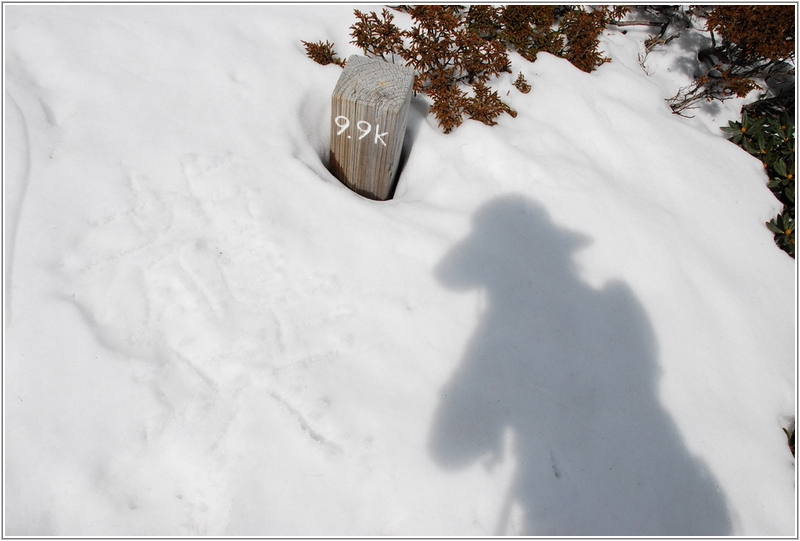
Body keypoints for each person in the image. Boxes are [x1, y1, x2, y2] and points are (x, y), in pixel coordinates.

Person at [428, 196, 731, 535]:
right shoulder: (609, 309)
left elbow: (448, 452)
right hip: (662, 489)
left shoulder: (504, 331)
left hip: (571, 514)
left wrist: (474, 401)